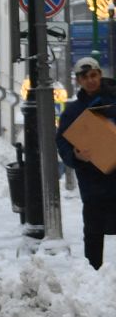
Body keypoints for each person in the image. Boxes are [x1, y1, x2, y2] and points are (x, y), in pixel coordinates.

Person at [59, 57, 116, 268]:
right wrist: (75, 155)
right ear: (78, 81)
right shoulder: (73, 112)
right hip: (94, 185)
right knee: (93, 233)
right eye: (85, 77)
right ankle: (92, 277)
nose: (90, 81)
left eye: (93, 75)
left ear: (100, 75)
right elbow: (62, 143)